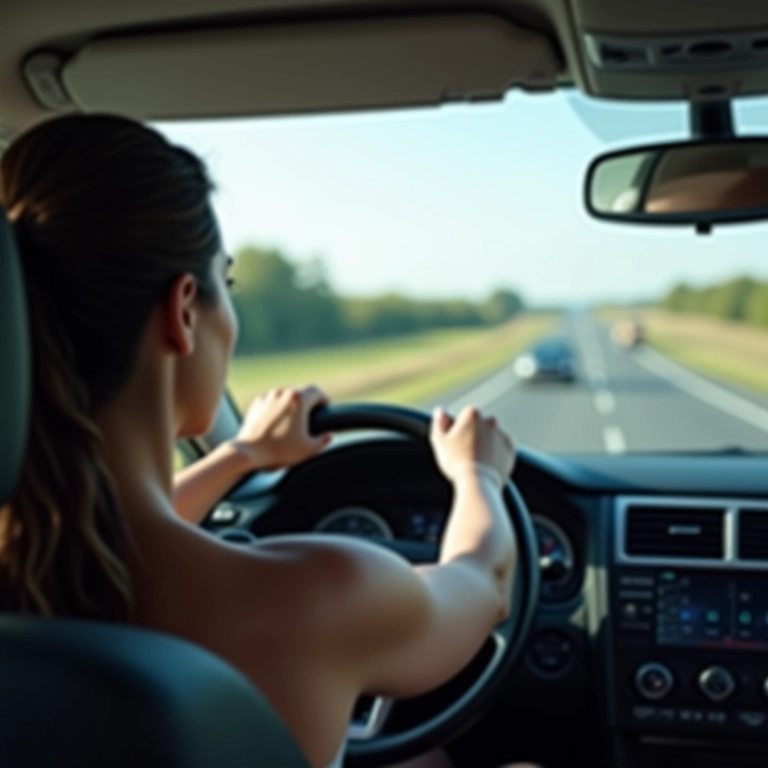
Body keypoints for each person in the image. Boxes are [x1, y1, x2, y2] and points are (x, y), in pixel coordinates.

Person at [0, 114, 518, 768]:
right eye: (229, 280)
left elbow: (105, 529)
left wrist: (242, 455)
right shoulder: (315, 595)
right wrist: (478, 477)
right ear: (184, 311)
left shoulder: (36, 571)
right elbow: (483, 580)